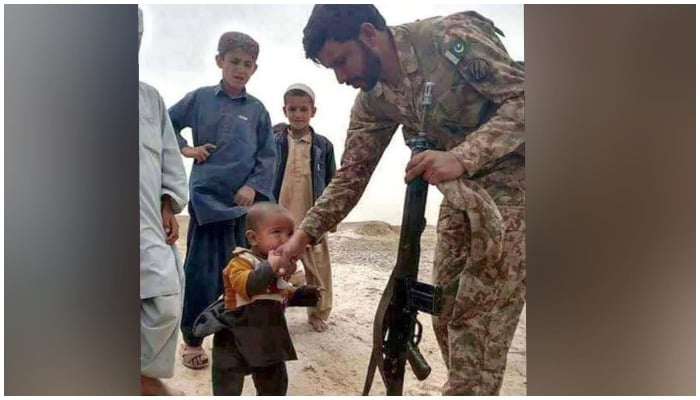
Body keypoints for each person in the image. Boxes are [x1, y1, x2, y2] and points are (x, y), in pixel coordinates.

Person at [276, 5, 525, 396]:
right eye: (332, 69)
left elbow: (527, 99)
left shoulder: (448, 40)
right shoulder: (372, 99)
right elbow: (350, 177)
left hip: (516, 188)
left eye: (342, 61)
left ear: (368, 34)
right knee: (446, 315)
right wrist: (300, 239)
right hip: (463, 197)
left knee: (481, 323)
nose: (341, 77)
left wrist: (462, 156)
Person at [169, 31, 277, 370]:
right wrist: (186, 148)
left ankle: (235, 338)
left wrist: (253, 186)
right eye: (234, 61)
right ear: (220, 61)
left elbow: (267, 155)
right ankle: (191, 339)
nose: (240, 69)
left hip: (243, 210)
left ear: (255, 69)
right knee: (201, 273)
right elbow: (165, 125)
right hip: (206, 204)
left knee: (242, 274)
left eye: (247, 64)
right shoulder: (200, 98)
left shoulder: (258, 110)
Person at [199, 202, 322, 395]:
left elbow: (278, 294)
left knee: (274, 384)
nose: (285, 240)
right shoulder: (240, 262)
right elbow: (248, 286)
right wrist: (271, 268)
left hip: (268, 336)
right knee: (227, 386)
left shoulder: (276, 268)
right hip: (234, 337)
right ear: (253, 238)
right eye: (276, 232)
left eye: (290, 234)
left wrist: (307, 294)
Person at [138, 7, 188, 396]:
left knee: (166, 301)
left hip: (146, 221)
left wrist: (170, 201)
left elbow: (171, 155)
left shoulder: (150, 99)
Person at [272, 83, 336, 332]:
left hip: (312, 217)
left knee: (318, 266)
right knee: (274, 263)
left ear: (313, 111)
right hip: (279, 214)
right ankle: (271, 309)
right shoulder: (275, 140)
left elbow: (333, 182)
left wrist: (331, 218)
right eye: (293, 109)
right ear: (284, 110)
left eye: (303, 109)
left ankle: (318, 312)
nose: (298, 114)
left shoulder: (323, 145)